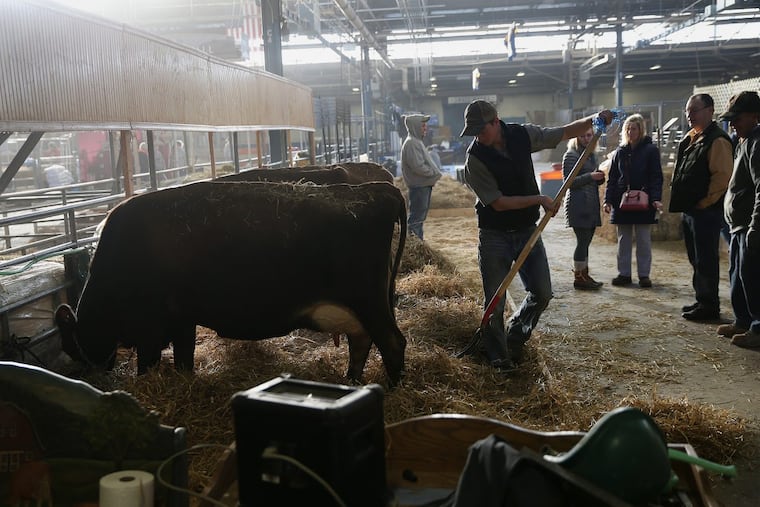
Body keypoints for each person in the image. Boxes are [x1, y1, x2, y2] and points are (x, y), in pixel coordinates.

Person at [461, 99, 613, 370]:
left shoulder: (521, 135)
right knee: (495, 299)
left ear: (496, 122)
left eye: (481, 130)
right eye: (473, 132)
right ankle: (498, 356)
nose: (478, 137)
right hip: (494, 234)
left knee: (542, 293)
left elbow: (563, 132)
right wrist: (540, 199)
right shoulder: (474, 159)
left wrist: (595, 119)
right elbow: (498, 203)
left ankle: (515, 337)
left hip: (526, 230)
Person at [669, 94, 733, 322]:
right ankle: (701, 299)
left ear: (710, 110)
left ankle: (709, 306)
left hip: (706, 211)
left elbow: (722, 177)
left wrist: (704, 202)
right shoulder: (693, 137)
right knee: (695, 257)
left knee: (706, 258)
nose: (689, 115)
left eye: (694, 110)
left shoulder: (717, 140)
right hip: (692, 210)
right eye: (688, 111)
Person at [603, 113, 664, 288]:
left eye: (634, 128)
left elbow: (656, 176)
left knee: (644, 239)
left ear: (641, 130)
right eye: (628, 128)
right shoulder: (619, 152)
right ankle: (624, 274)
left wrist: (656, 198)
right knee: (624, 239)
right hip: (622, 201)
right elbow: (612, 178)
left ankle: (644, 275)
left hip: (644, 200)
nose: (631, 131)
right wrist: (608, 200)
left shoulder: (650, 150)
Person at [719, 91, 760, 347]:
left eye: (738, 118)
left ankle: (758, 328)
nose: (733, 123)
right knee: (738, 274)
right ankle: (742, 320)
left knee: (752, 277)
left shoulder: (757, 143)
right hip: (737, 225)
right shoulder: (743, 141)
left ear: (755, 116)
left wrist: (757, 225)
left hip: (748, 225)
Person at [562, 127, 605, 290]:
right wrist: (591, 176)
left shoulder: (591, 155)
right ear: (576, 137)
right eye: (583, 135)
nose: (587, 138)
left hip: (591, 203)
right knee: (582, 241)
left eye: (589, 135)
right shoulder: (571, 155)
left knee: (586, 242)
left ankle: (584, 274)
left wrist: (599, 178)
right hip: (578, 204)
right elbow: (569, 182)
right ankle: (579, 277)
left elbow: (591, 179)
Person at [401, 113, 442, 240]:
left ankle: (418, 242)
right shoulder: (412, 143)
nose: (425, 128)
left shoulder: (415, 142)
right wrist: (433, 172)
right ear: (415, 127)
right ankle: (415, 244)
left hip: (422, 185)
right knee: (417, 218)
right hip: (419, 186)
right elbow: (418, 167)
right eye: (423, 125)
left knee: (419, 217)